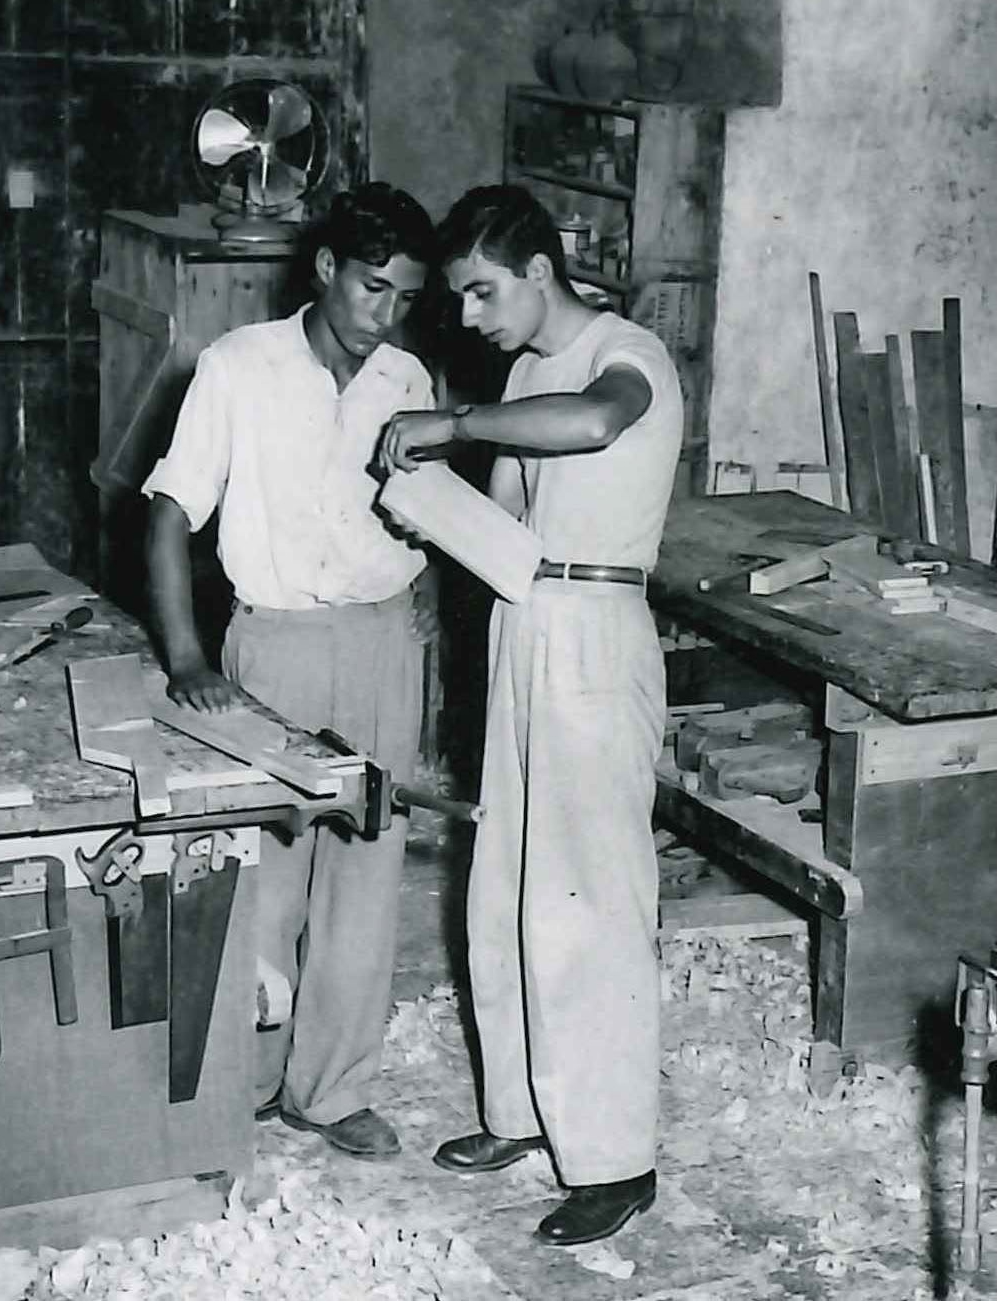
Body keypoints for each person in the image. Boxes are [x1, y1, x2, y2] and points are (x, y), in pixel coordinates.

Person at [379, 184, 681, 1246]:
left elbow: (599, 422)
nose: (467, 316)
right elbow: (507, 514)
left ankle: (614, 1159)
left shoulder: (624, 351)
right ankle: (522, 1111)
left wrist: (453, 423)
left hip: (598, 628)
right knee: (505, 879)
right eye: (460, 296)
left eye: (481, 292)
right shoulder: (522, 371)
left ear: (540, 273)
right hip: (524, 617)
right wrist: (421, 505)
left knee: (590, 899)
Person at [141, 183, 437, 1160]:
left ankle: (330, 1086)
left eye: (403, 296)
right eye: (370, 288)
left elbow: (423, 514)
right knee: (259, 873)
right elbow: (171, 512)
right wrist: (186, 653)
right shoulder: (237, 366)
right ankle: (245, 1079)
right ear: (325, 269)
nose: (383, 314)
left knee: (367, 869)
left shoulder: (408, 378)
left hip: (382, 641)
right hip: (271, 644)